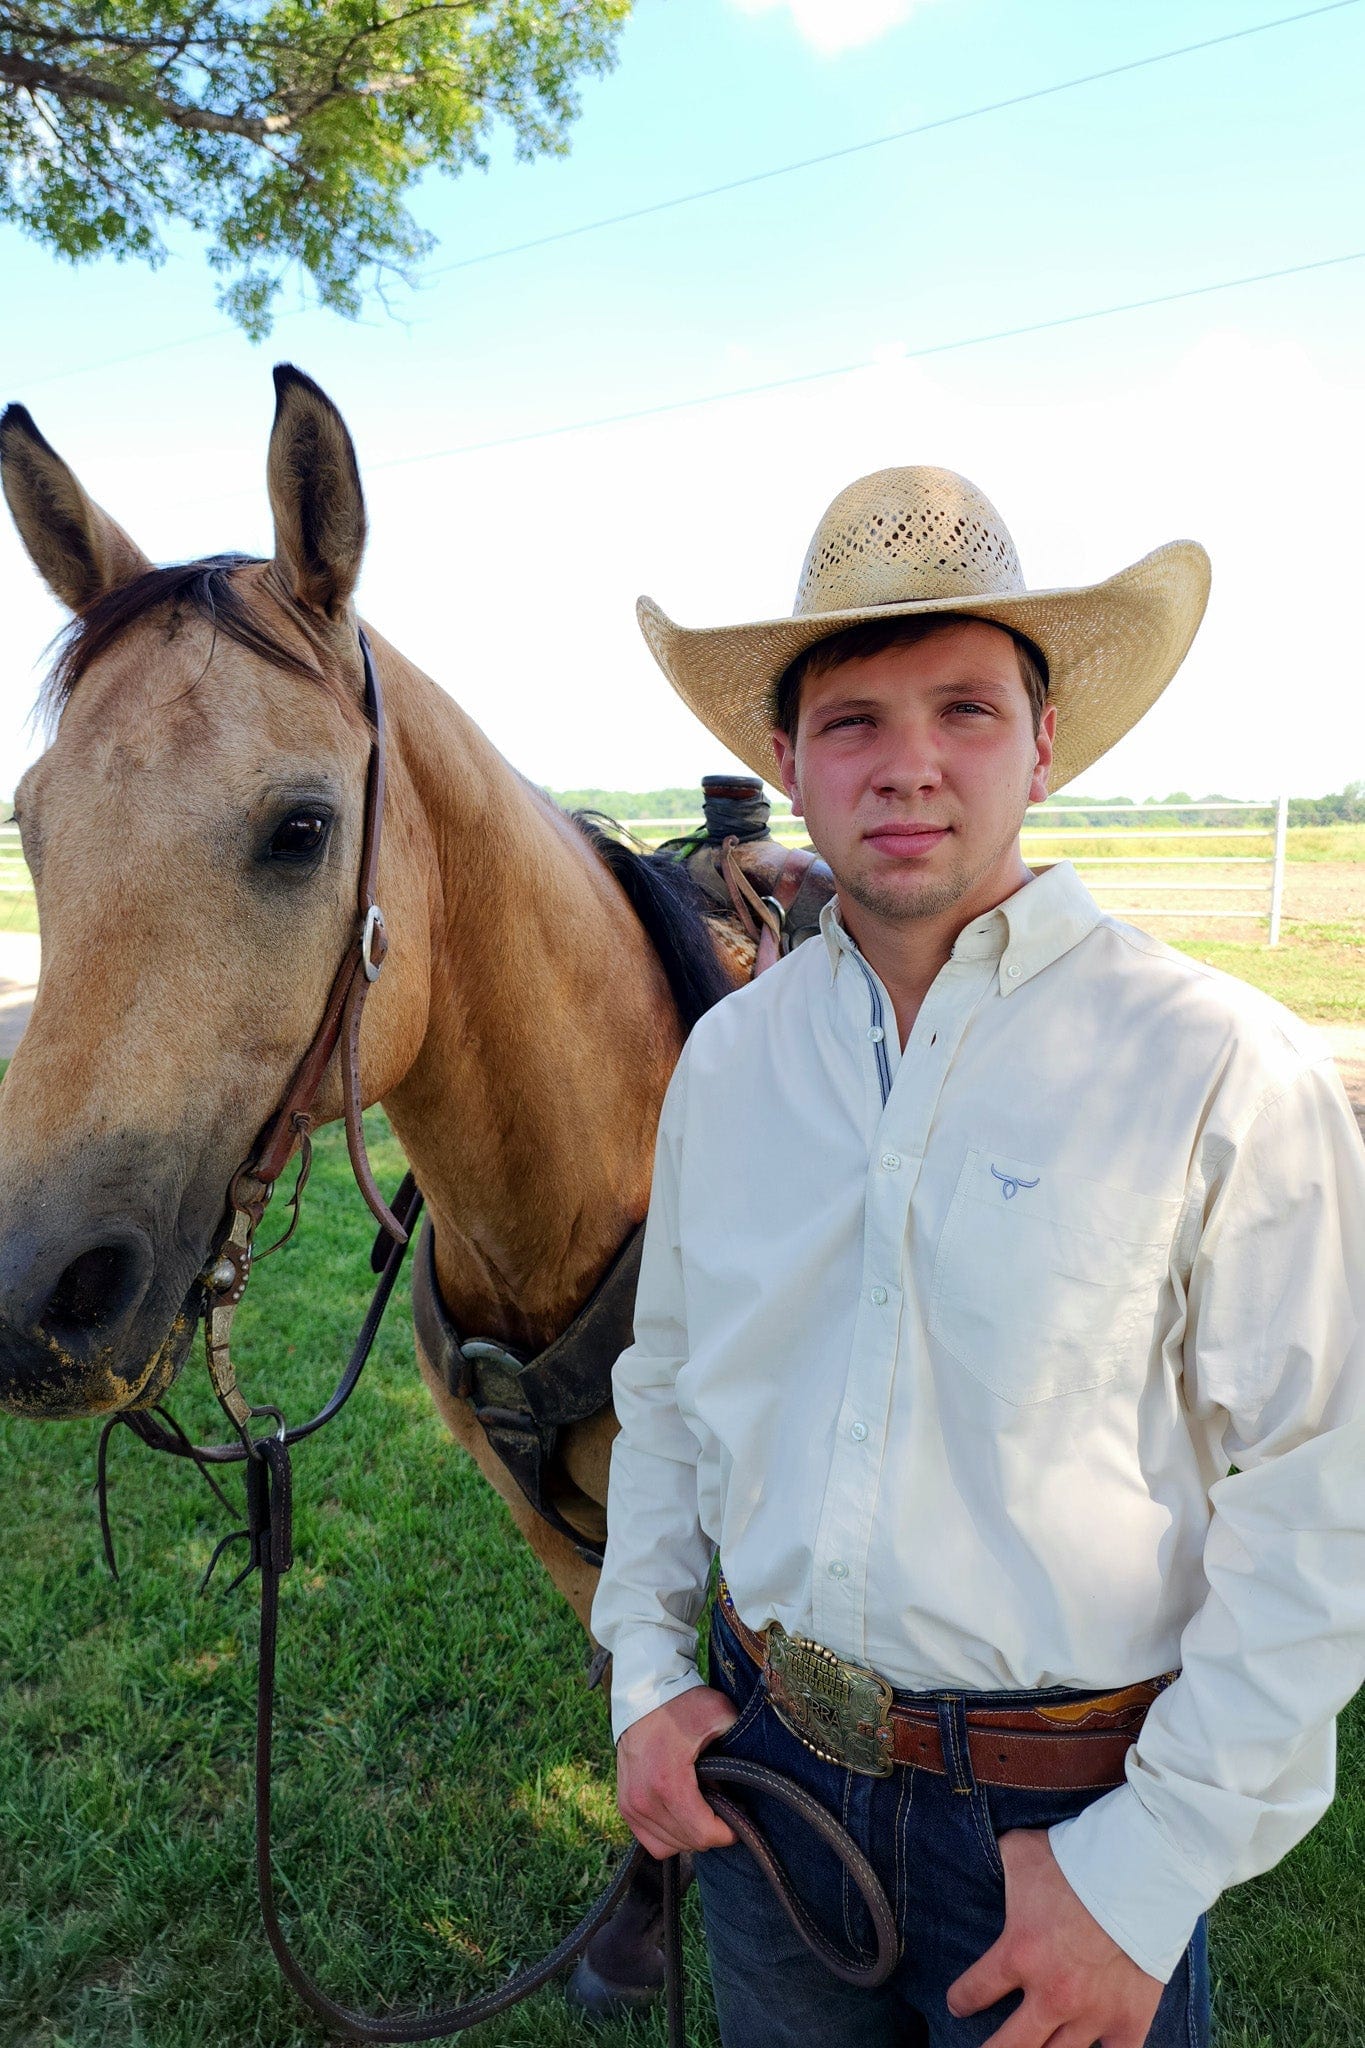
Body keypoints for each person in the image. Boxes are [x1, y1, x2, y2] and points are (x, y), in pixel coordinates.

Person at [590, 466, 1365, 2048]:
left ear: (1043, 744)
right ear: (786, 760)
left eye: (964, 708)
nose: (911, 767)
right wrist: (644, 1673)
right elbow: (667, 1385)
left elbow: (1317, 1492)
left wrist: (1143, 1875)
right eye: (856, 720)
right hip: (767, 1780)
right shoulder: (732, 1066)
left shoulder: (1215, 1067)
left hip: (1060, 1828)